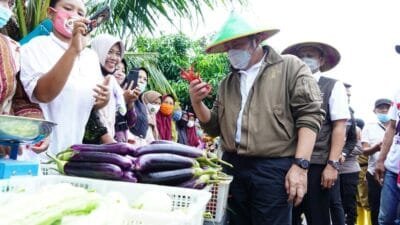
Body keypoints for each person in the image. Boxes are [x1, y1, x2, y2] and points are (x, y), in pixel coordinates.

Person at [189, 12, 325, 225]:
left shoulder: (289, 67)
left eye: (237, 43)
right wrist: (197, 103)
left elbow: (310, 115)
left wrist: (300, 166)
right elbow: (214, 126)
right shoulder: (228, 82)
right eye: (228, 47)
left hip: (273, 168)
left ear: (258, 39)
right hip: (233, 166)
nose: (232, 51)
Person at [20, 0, 109, 158]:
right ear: (51, 13)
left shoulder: (91, 57)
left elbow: (91, 102)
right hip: (33, 156)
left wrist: (103, 101)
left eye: (81, 13)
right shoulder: (34, 48)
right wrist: (73, 49)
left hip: (67, 157)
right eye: (68, 8)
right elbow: (43, 95)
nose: (74, 15)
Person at [282, 41, 350, 225]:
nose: (305, 59)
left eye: (310, 55)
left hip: (318, 163)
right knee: (288, 216)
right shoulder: (287, 85)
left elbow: (339, 127)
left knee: (317, 217)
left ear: (321, 60)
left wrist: (332, 165)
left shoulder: (333, 86)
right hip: (287, 160)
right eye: (301, 55)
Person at [0, 0, 47, 157]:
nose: (6, 8)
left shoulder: (12, 49)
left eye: (10, 3)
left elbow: (20, 100)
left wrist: (36, 130)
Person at [375, 44, 400, 224]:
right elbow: (391, 128)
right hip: (393, 168)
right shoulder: (398, 93)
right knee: (386, 219)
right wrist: (381, 160)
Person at [362, 98, 391, 225]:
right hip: (374, 173)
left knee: (392, 209)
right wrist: (376, 147)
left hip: (393, 173)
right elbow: (364, 151)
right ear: (374, 110)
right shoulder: (368, 127)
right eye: (381, 108)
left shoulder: (396, 126)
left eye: (387, 107)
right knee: (376, 207)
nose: (384, 110)